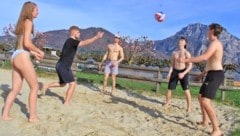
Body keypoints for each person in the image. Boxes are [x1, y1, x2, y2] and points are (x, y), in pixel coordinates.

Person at [2, 1, 44, 122]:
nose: (38, 12)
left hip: (16, 55)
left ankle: (4, 115)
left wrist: (34, 53)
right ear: (30, 10)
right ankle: (32, 116)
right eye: (36, 10)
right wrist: (39, 51)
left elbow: (22, 46)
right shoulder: (29, 21)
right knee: (35, 86)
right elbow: (27, 43)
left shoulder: (21, 23)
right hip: (22, 57)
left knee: (15, 89)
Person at [179, 23, 224, 136]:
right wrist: (202, 74)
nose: (206, 32)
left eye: (208, 30)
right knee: (200, 97)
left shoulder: (215, 43)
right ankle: (205, 121)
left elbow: (204, 57)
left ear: (212, 30)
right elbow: (211, 62)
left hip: (216, 75)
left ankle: (217, 130)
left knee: (205, 101)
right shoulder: (213, 43)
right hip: (210, 73)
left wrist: (186, 61)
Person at [41, 26, 104, 105]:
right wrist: (96, 37)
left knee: (62, 84)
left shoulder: (70, 41)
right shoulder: (71, 41)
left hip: (62, 66)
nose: (79, 34)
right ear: (73, 33)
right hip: (63, 66)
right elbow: (85, 42)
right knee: (73, 84)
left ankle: (46, 85)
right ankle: (67, 102)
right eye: (78, 32)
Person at [164, 36, 192, 112]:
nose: (180, 41)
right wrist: (169, 73)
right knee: (169, 89)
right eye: (180, 40)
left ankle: (189, 107)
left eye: (182, 40)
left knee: (186, 90)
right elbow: (172, 65)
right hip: (175, 72)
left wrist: (183, 73)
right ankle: (167, 103)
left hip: (183, 72)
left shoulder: (187, 53)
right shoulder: (174, 53)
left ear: (185, 43)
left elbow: (190, 66)